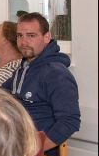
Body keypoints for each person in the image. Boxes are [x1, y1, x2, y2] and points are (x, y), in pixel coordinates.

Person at [5, 12, 80, 149]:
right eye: (19, 36)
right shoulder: (22, 70)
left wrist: (34, 150)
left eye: (31, 36)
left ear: (47, 37)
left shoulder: (56, 74)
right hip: (9, 144)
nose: (23, 42)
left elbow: (70, 121)